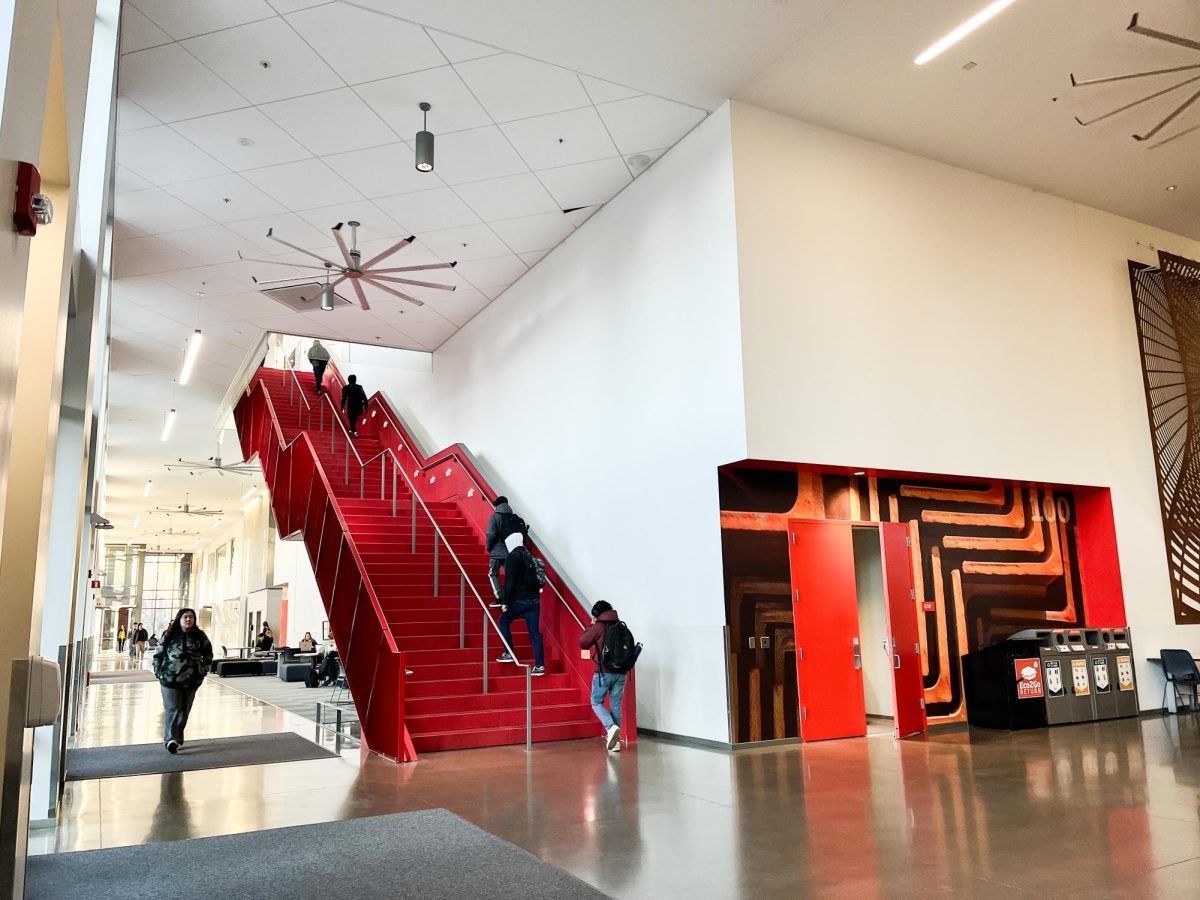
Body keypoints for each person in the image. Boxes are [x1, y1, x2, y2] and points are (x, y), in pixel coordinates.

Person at [152, 608, 213, 754]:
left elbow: (208, 654)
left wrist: (204, 669)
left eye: (191, 617)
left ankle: (177, 737)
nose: (188, 620)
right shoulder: (169, 635)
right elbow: (158, 655)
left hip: (192, 680)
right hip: (169, 679)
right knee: (173, 709)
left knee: (184, 710)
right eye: (185, 617)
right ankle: (170, 739)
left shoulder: (200, 636)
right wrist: (158, 671)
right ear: (179, 619)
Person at [494, 532, 545, 676]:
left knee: (503, 621)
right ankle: (540, 666)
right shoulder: (530, 556)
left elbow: (509, 583)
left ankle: (508, 652)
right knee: (534, 632)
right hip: (534, 600)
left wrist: (505, 602)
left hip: (520, 599)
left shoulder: (512, 557)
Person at [579, 601, 626, 752]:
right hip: (621, 673)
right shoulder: (621, 626)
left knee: (596, 702)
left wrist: (591, 626)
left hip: (603, 672)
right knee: (615, 705)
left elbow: (583, 642)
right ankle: (615, 742)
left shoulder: (599, 626)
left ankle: (610, 727)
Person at [485, 496, 523, 606]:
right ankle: (510, 598)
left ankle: (500, 598)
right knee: (510, 575)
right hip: (511, 552)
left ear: (497, 505)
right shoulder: (514, 517)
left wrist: (489, 547)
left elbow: (491, 534)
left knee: (493, 573)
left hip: (496, 552)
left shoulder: (495, 517)